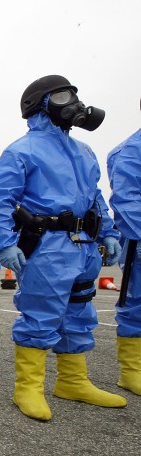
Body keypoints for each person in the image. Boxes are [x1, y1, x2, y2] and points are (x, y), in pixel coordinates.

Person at [0, 74, 125, 422]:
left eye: (74, 95)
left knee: (79, 312)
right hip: (47, 246)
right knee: (41, 314)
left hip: (84, 245)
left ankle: (73, 381)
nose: (73, 103)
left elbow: (95, 198)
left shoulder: (84, 150)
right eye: (63, 96)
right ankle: (27, 388)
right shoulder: (22, 150)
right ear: (40, 104)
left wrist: (107, 232)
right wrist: (2, 243)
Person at [107, 102, 141, 396]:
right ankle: (132, 371)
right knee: (137, 303)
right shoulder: (131, 151)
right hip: (139, 239)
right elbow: (127, 200)